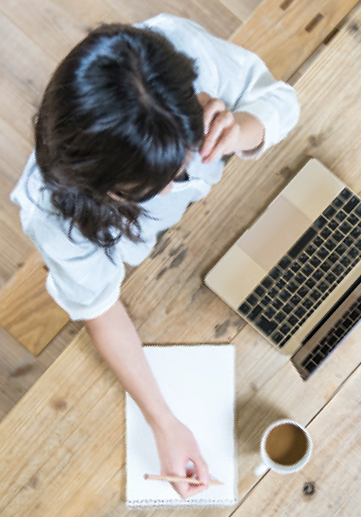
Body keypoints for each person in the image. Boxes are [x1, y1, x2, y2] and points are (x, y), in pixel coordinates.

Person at [10, 13, 300, 499]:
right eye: (150, 185)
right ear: (97, 187)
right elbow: (98, 306)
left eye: (184, 156)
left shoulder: (179, 49)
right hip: (141, 263)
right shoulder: (50, 215)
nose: (178, 179)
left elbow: (282, 102)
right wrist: (163, 422)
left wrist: (241, 128)